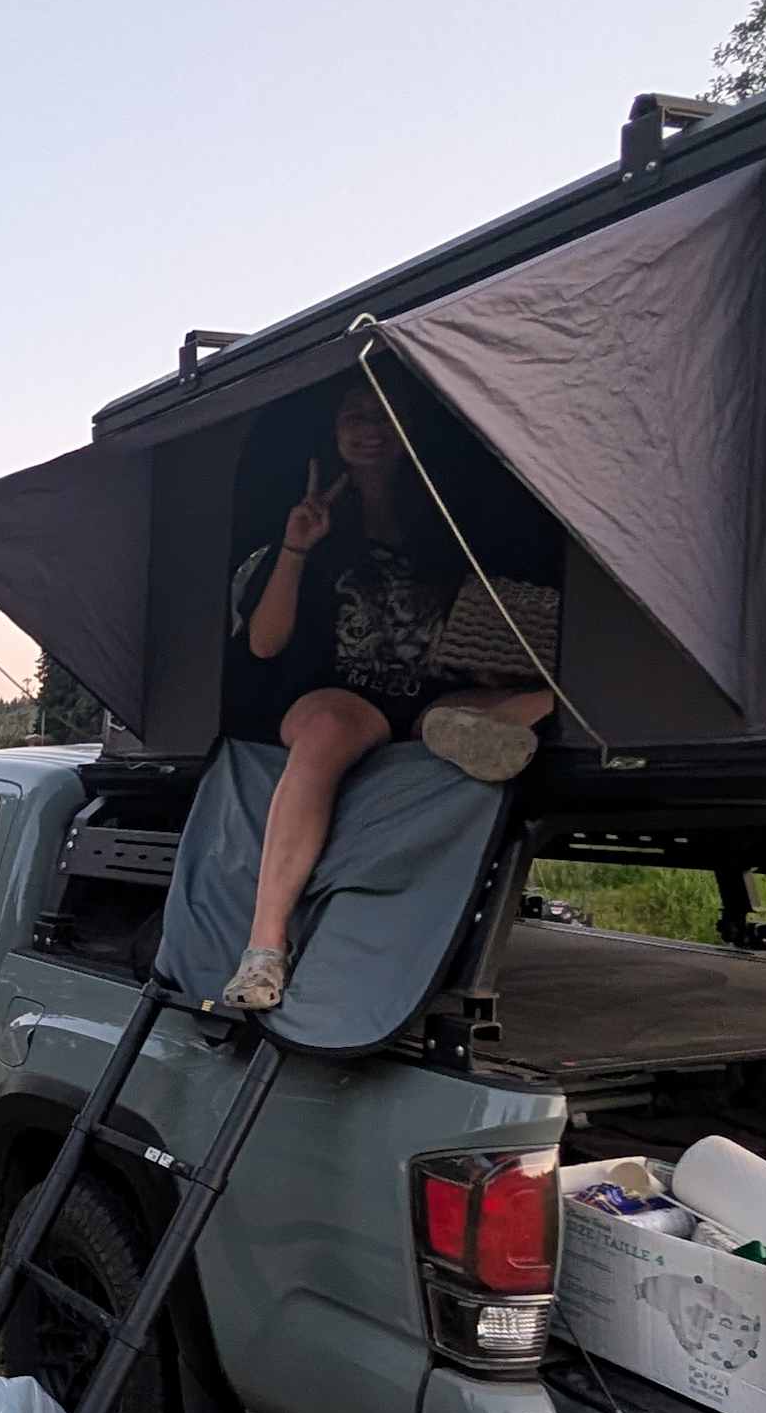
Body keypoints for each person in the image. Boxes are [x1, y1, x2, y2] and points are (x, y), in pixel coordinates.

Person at [218, 381, 556, 1013]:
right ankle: (265, 947)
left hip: (428, 692)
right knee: (327, 735)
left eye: (383, 417)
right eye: (354, 417)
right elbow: (264, 645)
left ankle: (458, 730)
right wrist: (297, 546)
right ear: (335, 434)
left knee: (551, 698)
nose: (368, 429)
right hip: (341, 695)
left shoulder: (441, 518)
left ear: (407, 433)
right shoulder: (312, 521)